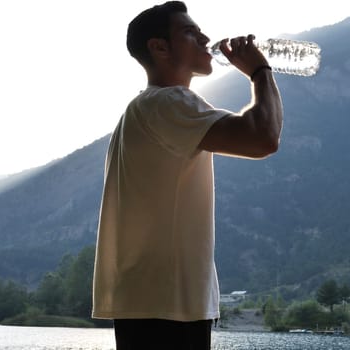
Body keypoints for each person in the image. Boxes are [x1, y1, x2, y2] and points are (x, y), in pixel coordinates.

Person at [92, 1, 283, 349]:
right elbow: (263, 138)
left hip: (156, 301)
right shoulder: (167, 103)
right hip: (165, 304)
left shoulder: (148, 107)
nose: (205, 38)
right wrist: (259, 70)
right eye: (190, 32)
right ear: (159, 47)